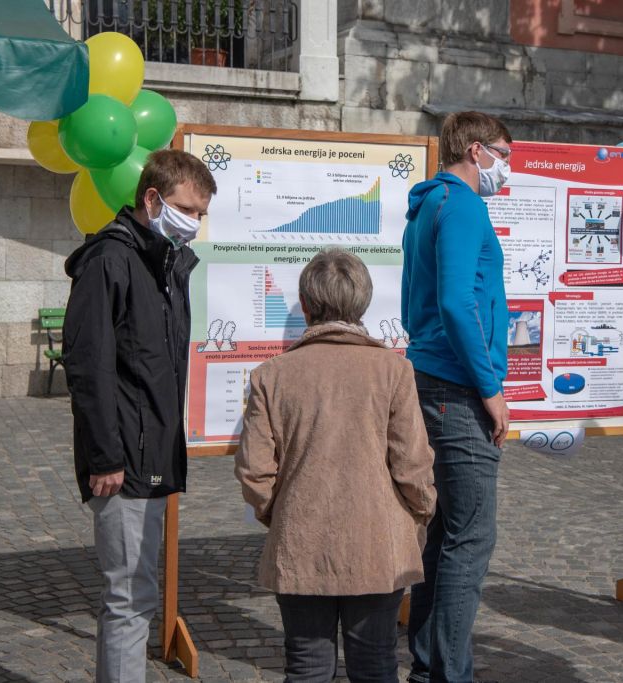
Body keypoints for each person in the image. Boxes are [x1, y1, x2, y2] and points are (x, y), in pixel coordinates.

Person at [235, 248, 436, 682]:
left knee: (306, 665)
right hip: (377, 541)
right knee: (376, 663)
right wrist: (418, 515)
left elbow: (254, 471)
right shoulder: (393, 371)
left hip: (301, 540)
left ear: (307, 306)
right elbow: (413, 466)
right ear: (362, 305)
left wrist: (282, 513)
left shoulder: (271, 375)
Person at [62, 149, 216, 682]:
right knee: (129, 598)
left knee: (139, 593)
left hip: (150, 453)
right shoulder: (112, 260)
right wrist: (105, 457)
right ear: (152, 199)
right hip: (122, 460)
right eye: (187, 209)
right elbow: (89, 365)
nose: (195, 222)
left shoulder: (165, 264)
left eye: (202, 213)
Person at [401, 110, 512, 683]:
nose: (506, 168)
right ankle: (448, 673)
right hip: (459, 386)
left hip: (431, 375)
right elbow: (455, 302)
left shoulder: (426, 205)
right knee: (470, 537)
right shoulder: (463, 204)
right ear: (475, 149)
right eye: (502, 154)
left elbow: (415, 302)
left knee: (446, 533)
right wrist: (490, 388)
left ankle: (428, 668)